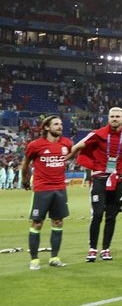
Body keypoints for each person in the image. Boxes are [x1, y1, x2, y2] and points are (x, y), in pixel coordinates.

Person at [67, 107, 122, 261]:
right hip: (99, 178)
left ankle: (105, 249)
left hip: (117, 179)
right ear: (108, 118)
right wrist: (68, 157)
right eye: (112, 116)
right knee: (97, 214)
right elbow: (79, 146)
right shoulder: (99, 134)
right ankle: (92, 249)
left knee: (111, 216)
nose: (114, 119)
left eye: (118, 116)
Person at [21, 115, 72, 270]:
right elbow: (26, 163)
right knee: (37, 223)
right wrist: (25, 180)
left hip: (60, 189)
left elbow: (69, 155)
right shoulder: (35, 145)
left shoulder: (67, 143)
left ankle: (54, 258)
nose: (60, 127)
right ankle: (34, 260)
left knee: (58, 222)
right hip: (42, 189)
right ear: (47, 127)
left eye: (61, 124)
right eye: (56, 124)